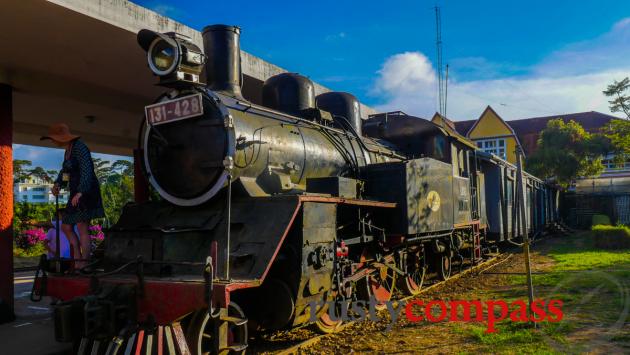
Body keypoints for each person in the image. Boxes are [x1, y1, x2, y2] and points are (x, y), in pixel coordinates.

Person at [41, 123, 104, 267]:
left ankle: (84, 262)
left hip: (86, 192)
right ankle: (78, 256)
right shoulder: (67, 151)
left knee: (82, 226)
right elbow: (65, 173)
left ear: (60, 137)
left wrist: (81, 191)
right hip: (75, 192)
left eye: (53, 138)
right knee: (66, 226)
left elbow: (87, 170)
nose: (52, 141)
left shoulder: (80, 147)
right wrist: (58, 184)